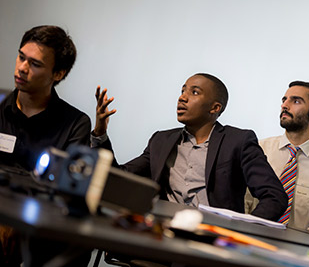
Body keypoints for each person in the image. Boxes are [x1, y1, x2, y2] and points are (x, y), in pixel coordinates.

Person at [92, 73, 288, 221]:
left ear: (215, 108)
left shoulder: (238, 141)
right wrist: (100, 135)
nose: (182, 97)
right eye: (182, 90)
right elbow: (117, 177)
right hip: (162, 233)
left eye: (194, 92)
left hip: (210, 240)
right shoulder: (161, 140)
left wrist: (243, 234)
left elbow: (275, 197)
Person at [0, 25, 91, 267]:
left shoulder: (75, 123)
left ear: (58, 74)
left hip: (41, 225)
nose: (22, 68)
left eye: (35, 64)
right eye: (21, 57)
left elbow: (67, 191)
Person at [245, 81, 309, 232]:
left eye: (295, 101)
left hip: (292, 249)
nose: (285, 105)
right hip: (248, 237)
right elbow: (242, 204)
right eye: (284, 100)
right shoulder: (258, 149)